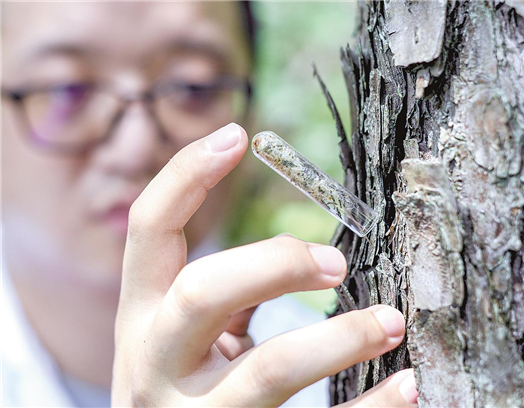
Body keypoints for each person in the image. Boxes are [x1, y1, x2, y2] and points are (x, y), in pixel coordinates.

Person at [1, 2, 418, 406]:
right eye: (66, 90)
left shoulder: (337, 366)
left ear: (252, 113)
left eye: (193, 88)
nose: (136, 147)